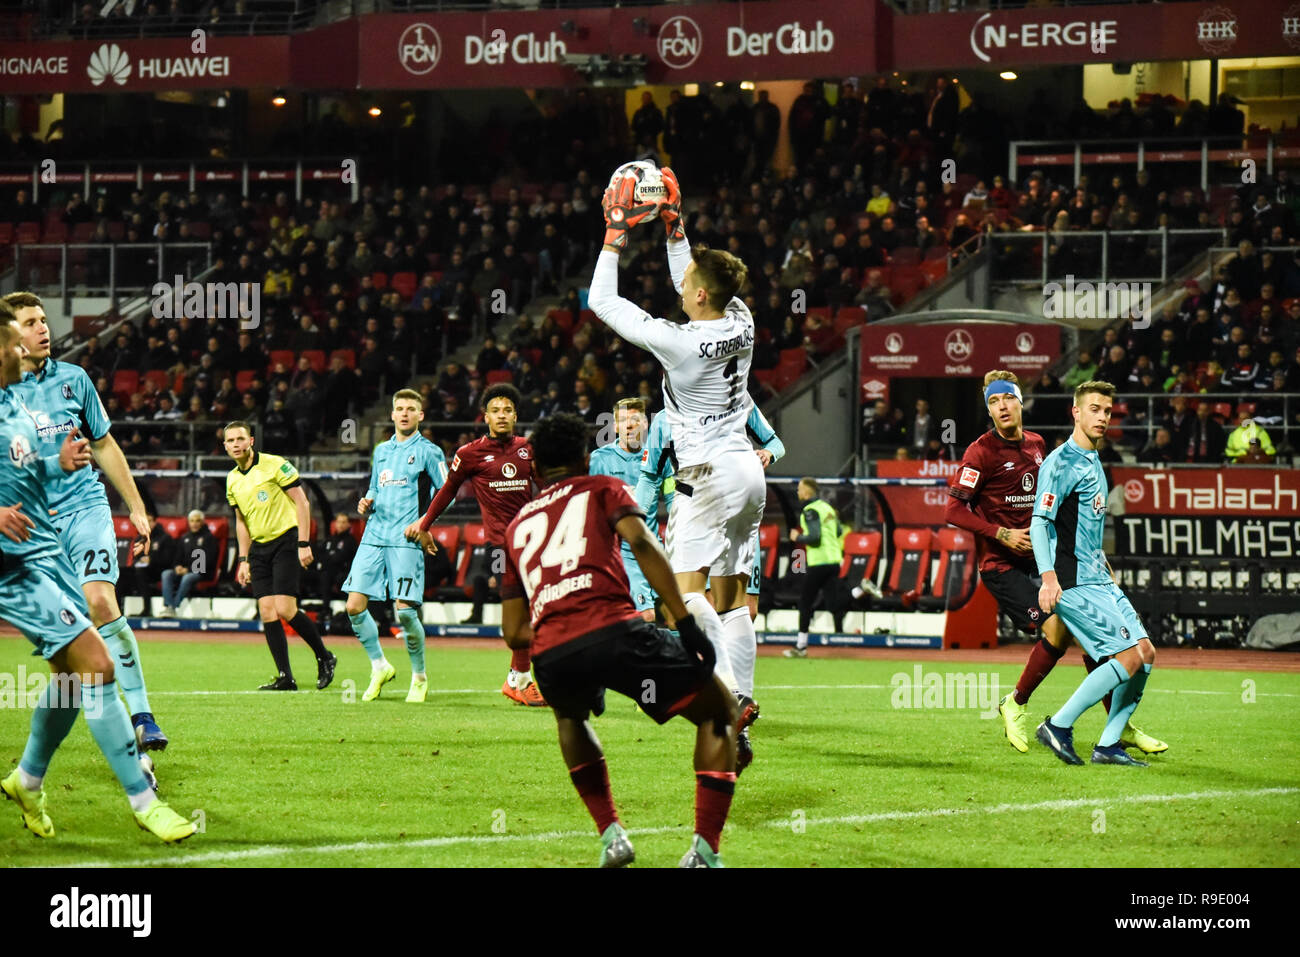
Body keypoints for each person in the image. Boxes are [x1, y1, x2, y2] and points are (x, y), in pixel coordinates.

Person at [499, 413, 738, 868]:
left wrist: (563, 628)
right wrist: (685, 625)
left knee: (571, 717)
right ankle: (704, 852)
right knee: (720, 711)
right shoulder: (602, 487)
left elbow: (513, 632)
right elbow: (644, 545)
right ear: (585, 458)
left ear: (533, 471)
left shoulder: (516, 528)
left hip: (552, 654)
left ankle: (612, 836)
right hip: (615, 628)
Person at [589, 166, 766, 767]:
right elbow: (696, 280)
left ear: (696, 296)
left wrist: (616, 233)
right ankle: (743, 696)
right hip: (749, 472)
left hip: (707, 477)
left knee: (685, 596)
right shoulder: (741, 319)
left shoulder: (679, 342)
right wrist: (674, 227)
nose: (681, 282)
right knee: (734, 597)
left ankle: (722, 697)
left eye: (687, 280)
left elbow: (602, 301)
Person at [0, 318, 194, 844]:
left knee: (76, 666)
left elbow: (26, 467)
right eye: (16, 337)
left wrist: (58, 462)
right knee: (91, 662)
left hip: (35, 555)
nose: (31, 341)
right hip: (15, 561)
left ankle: (29, 779)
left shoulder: (29, 401)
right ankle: (139, 798)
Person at [948, 371, 1164, 755]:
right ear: (989, 409)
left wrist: (1090, 556)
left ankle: (1119, 726)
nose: (1002, 407)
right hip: (1002, 565)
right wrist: (1000, 533)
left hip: (1043, 558)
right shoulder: (979, 452)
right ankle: (1016, 702)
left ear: (1019, 402)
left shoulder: (1036, 445)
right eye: (994, 403)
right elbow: (953, 509)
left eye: (1008, 399)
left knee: (1090, 638)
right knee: (1058, 632)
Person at [6, 291, 168, 753]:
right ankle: (36, 767)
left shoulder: (74, 379)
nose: (43, 329)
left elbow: (104, 445)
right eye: (31, 322)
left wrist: (136, 506)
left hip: (86, 508)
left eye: (43, 320)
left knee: (100, 600)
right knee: (68, 646)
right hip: (36, 525)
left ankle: (142, 715)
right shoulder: (4, 393)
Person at [635, 400, 783, 772]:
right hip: (748, 486)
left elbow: (651, 476)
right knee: (733, 605)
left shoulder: (669, 415)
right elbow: (776, 442)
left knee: (684, 598)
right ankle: (740, 728)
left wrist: (636, 522)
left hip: (698, 491)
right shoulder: (741, 399)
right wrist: (766, 453)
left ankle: (731, 693)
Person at [1032, 380, 1160, 767]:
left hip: (1097, 576)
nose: (1102, 417)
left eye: (1107, 411)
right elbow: (1040, 522)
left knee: (1146, 652)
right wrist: (1049, 577)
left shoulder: (1093, 460)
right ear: (1076, 411)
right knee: (1126, 656)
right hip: (1072, 581)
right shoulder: (1061, 462)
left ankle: (1108, 746)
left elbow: (1082, 525)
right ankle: (1058, 724)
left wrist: (1103, 561)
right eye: (1094, 409)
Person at [405, 383, 547, 707]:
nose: (501, 415)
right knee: (519, 607)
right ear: (485, 417)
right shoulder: (469, 454)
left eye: (507, 410)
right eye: (495, 410)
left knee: (533, 609)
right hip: (498, 548)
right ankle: (520, 678)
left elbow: (547, 486)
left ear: (515, 415)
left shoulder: (529, 448)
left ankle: (519, 677)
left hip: (532, 544)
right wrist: (424, 524)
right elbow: (446, 492)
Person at [345, 390, 447, 703]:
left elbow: (447, 492)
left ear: (420, 415)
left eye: (410, 409)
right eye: (399, 409)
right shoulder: (381, 451)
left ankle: (419, 676)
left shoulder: (430, 452)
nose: (404, 413)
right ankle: (380, 666)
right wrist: (367, 501)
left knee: (404, 613)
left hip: (406, 538)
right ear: (391, 414)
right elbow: (376, 485)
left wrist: (424, 524)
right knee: (353, 606)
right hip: (374, 533)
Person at [224, 421, 337, 691]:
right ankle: (286, 677)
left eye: (241, 438)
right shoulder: (232, 480)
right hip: (259, 549)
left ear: (251, 441)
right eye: (231, 441)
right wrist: (243, 559)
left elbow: (302, 502)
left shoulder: (276, 465)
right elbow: (240, 522)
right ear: (225, 446)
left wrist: (304, 543)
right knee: (266, 611)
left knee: (286, 608)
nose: (236, 444)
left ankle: (325, 656)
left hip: (286, 541)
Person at [588, 398, 656, 621]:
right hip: (625, 550)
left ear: (645, 424)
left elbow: (673, 496)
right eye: (623, 420)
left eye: (635, 420)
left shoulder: (657, 456)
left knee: (678, 613)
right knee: (646, 615)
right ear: (615, 426)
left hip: (658, 548)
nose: (629, 425)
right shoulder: (600, 459)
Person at [784, 477, 849, 657]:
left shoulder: (810, 510)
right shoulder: (827, 508)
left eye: (799, 489)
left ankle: (801, 647)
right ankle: (860, 591)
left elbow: (814, 537)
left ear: (806, 492)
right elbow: (838, 531)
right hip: (834, 560)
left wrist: (798, 538)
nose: (798, 492)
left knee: (805, 602)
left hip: (819, 562)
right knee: (834, 603)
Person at [160, 510, 218, 617]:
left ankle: (172, 607)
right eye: (192, 521)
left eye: (197, 521)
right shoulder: (185, 538)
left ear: (202, 522)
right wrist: (177, 567)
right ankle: (168, 606)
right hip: (184, 571)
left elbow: (208, 561)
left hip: (202, 573)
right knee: (166, 574)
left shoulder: (209, 538)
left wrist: (188, 570)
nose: (194, 524)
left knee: (188, 577)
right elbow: (177, 557)